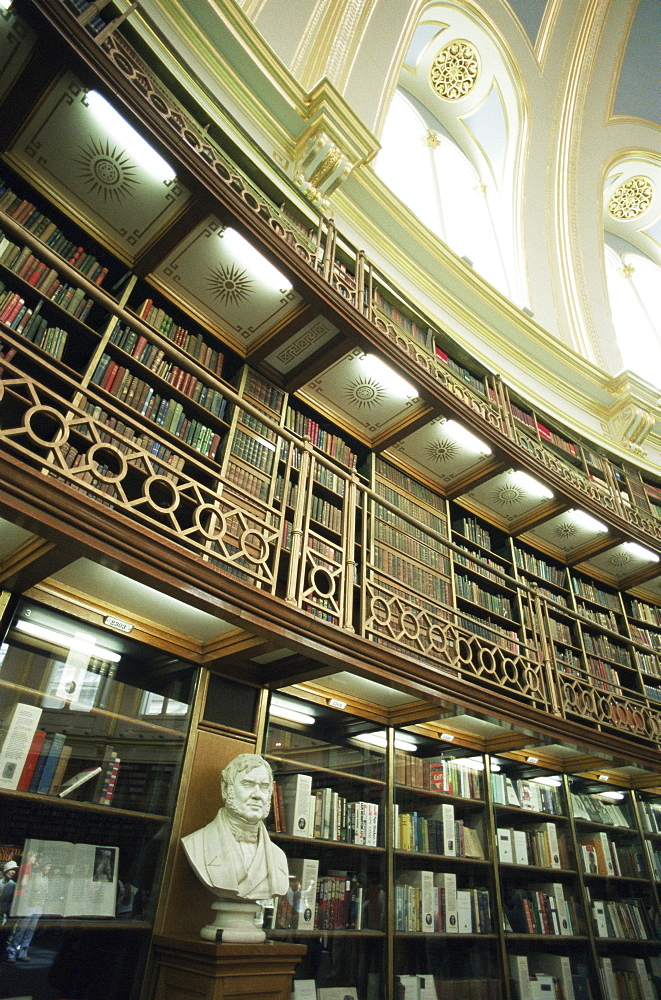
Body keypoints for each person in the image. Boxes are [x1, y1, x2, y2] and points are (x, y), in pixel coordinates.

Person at [182, 753, 288, 901]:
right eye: (247, 784)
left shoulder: (279, 857)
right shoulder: (196, 844)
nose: (257, 795)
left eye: (264, 787)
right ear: (226, 789)